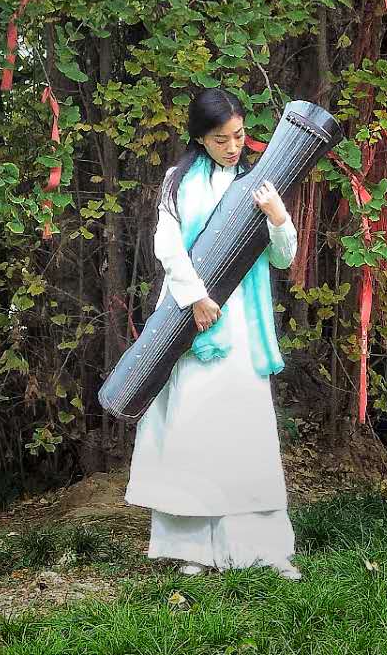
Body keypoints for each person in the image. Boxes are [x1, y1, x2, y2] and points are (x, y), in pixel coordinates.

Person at [124, 87, 302, 580]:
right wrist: (196, 298)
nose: (232, 146)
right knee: (194, 429)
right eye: (221, 139)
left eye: (240, 136)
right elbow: (166, 245)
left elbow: (283, 256)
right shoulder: (178, 181)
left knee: (245, 431)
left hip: (242, 322)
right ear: (200, 139)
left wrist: (278, 217)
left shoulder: (258, 180)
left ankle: (263, 549)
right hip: (191, 319)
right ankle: (192, 550)